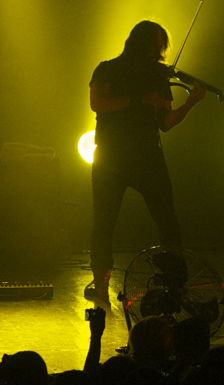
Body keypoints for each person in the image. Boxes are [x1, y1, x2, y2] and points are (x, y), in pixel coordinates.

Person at [87, 20, 208, 304]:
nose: (159, 51)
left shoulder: (157, 76)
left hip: (139, 155)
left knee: (163, 219)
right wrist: (138, 101)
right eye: (157, 45)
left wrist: (191, 103)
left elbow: (165, 122)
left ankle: (174, 282)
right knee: (108, 222)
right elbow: (98, 103)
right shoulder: (108, 69)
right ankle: (102, 281)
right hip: (113, 156)